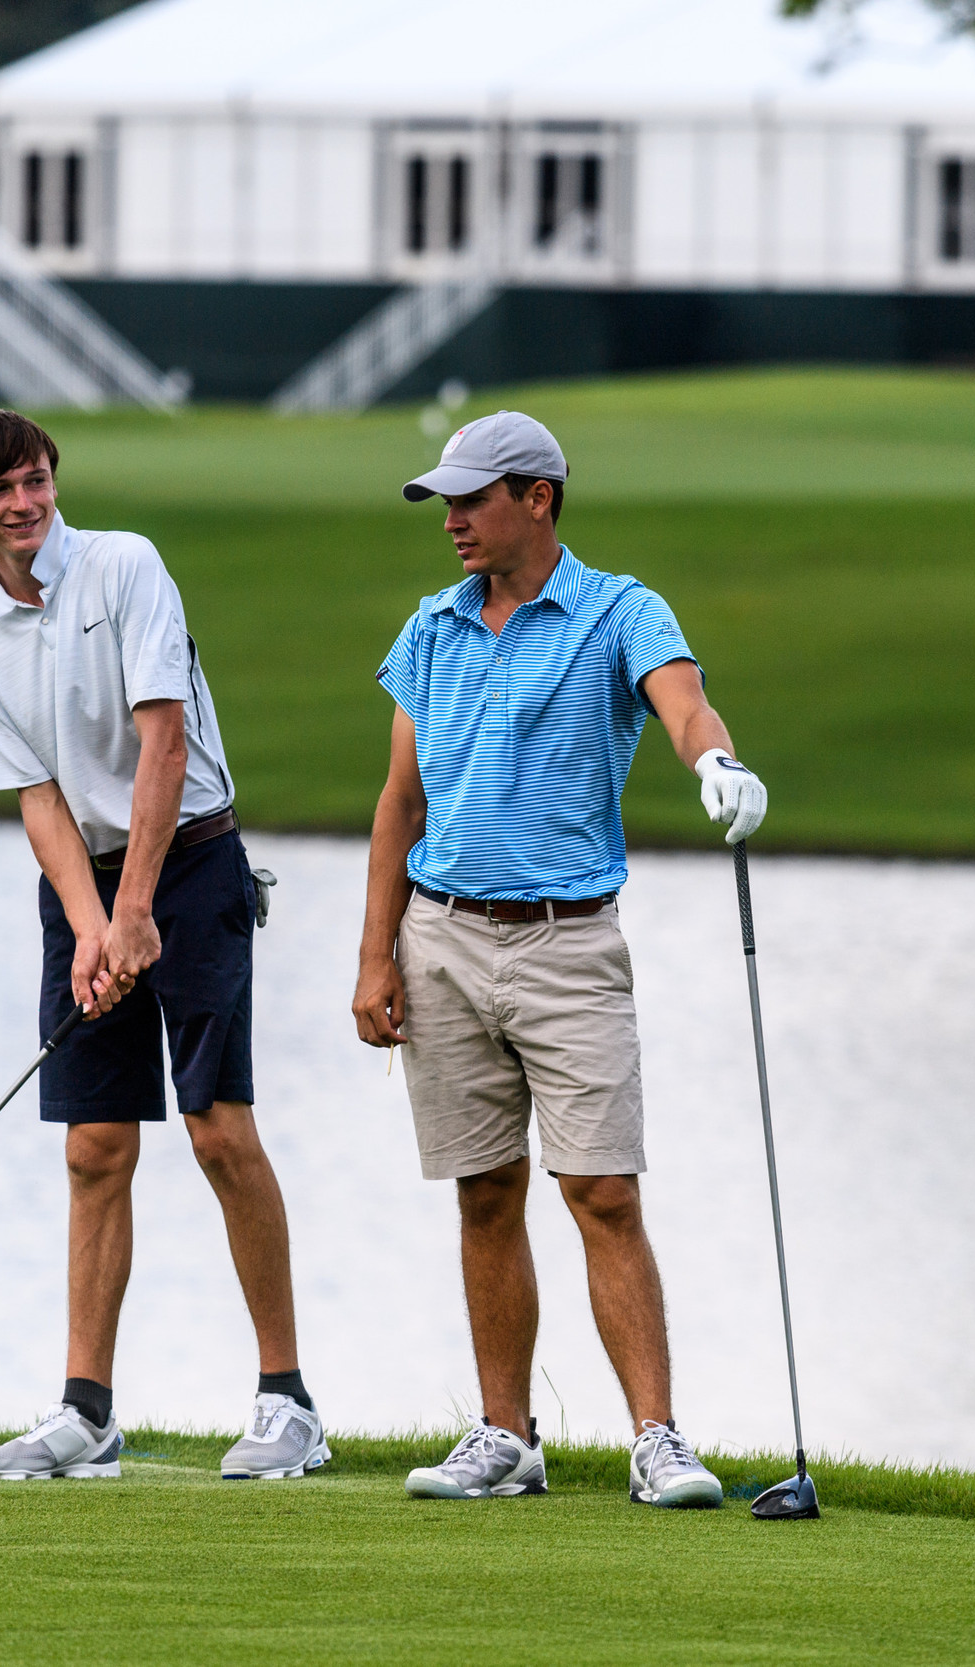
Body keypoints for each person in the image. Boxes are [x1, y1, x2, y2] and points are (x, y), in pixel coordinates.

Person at [352, 410, 769, 1507]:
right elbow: (399, 805)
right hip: (437, 936)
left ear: (538, 497)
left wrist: (716, 761)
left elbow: (681, 701)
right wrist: (372, 960)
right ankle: (505, 1434)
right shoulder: (431, 627)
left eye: (471, 500)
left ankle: (656, 1437)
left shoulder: (621, 609)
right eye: (444, 502)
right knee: (483, 1191)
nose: (451, 522)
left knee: (601, 1189)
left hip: (564, 941)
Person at [0, 409, 324, 1483]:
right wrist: (90, 921)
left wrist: (138, 905)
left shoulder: (124, 567)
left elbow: (165, 737)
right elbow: (37, 793)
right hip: (84, 883)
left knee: (216, 1126)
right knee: (94, 1145)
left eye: (34, 478)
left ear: (54, 480)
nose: (22, 501)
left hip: (191, 863)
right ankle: (87, 1414)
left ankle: (287, 1400)